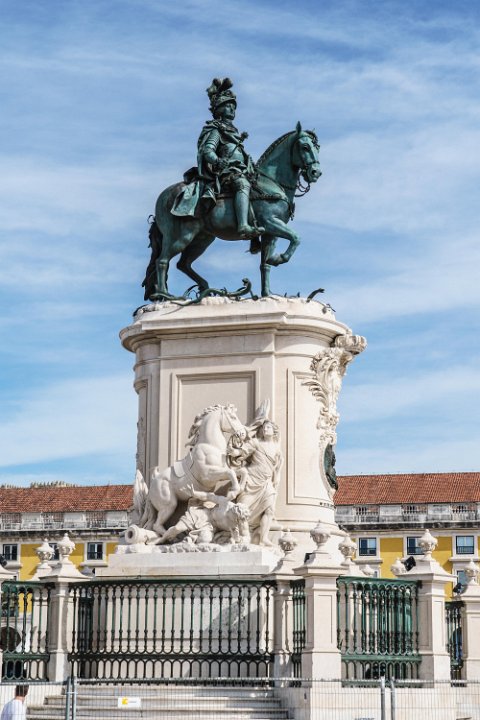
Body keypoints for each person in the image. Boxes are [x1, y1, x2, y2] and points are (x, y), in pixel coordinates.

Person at [197, 77, 265, 239]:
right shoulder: (216, 130)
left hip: (241, 171)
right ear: (219, 109)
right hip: (226, 173)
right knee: (242, 184)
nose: (232, 109)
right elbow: (207, 150)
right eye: (228, 106)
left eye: (233, 106)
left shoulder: (234, 133)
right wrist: (218, 161)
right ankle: (243, 225)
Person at [235, 419, 283, 546]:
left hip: (266, 482)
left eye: (268, 427)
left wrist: (276, 480)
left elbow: (277, 468)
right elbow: (243, 452)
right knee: (242, 508)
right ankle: (240, 535)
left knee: (270, 510)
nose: (265, 429)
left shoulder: (277, 449)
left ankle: (263, 538)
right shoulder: (256, 443)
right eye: (264, 427)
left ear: (274, 431)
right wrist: (235, 451)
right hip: (252, 480)